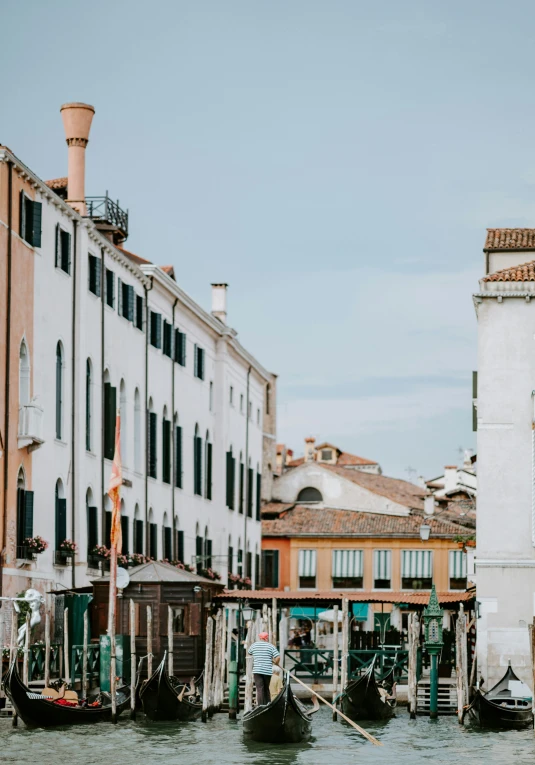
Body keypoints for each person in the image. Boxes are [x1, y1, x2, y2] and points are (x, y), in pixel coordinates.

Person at [247, 631, 280, 706]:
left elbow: (249, 653)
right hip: (267, 671)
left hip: (257, 671)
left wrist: (257, 654)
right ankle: (268, 703)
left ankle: (261, 706)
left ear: (260, 637)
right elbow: (278, 657)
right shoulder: (270, 646)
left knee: (260, 689)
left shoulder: (254, 645)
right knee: (266, 688)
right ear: (266, 638)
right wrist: (276, 663)